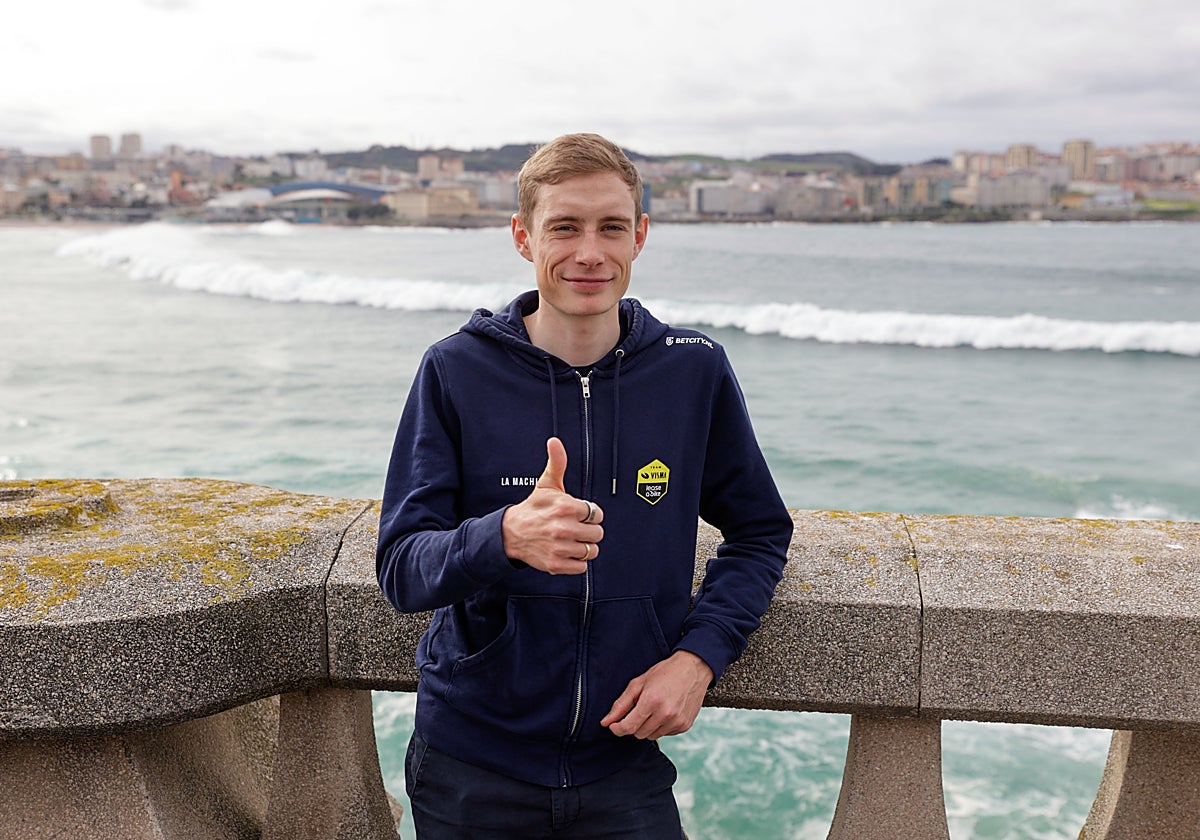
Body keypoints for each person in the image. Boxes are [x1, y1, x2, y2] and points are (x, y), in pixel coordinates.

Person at [377, 132, 792, 838]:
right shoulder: (455, 370)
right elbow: (401, 570)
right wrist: (502, 536)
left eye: (611, 228)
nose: (590, 253)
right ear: (522, 236)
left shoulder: (693, 371)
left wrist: (698, 659)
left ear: (641, 236)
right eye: (564, 228)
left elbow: (759, 533)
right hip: (471, 766)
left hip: (623, 761)